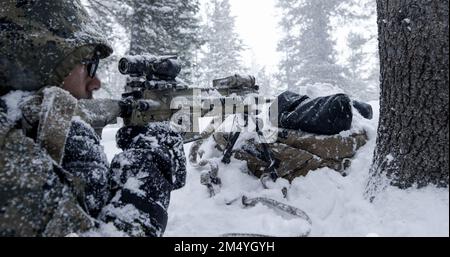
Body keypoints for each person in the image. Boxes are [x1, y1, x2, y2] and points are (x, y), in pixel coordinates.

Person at [0, 0, 185, 237]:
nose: (96, 82)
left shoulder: (22, 134)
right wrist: (146, 183)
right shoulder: (11, 154)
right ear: (39, 60)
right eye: (89, 65)